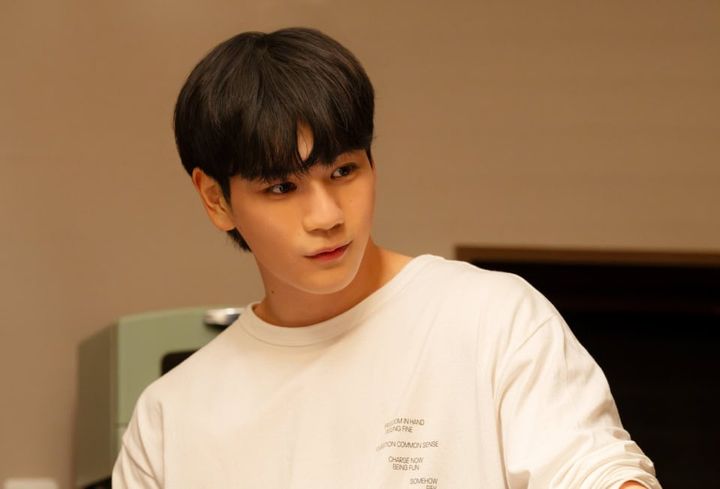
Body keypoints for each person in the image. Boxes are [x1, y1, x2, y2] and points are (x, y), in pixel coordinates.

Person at [112, 27, 661, 488]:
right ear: (215, 199)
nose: (326, 215)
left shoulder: (489, 318)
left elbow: (594, 468)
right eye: (282, 187)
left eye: (343, 171)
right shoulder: (170, 420)